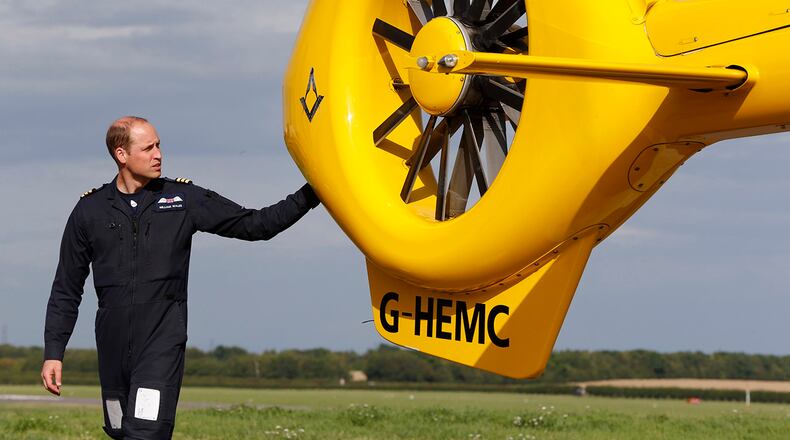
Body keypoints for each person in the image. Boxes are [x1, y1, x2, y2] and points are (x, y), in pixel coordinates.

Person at [41, 116, 320, 439]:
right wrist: (54, 352)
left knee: (145, 433)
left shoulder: (183, 200)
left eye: (159, 145)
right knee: (119, 431)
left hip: (160, 342)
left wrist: (312, 192)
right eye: (148, 148)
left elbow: (256, 225)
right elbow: (66, 288)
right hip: (112, 347)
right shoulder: (89, 211)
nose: (158, 154)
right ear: (122, 155)